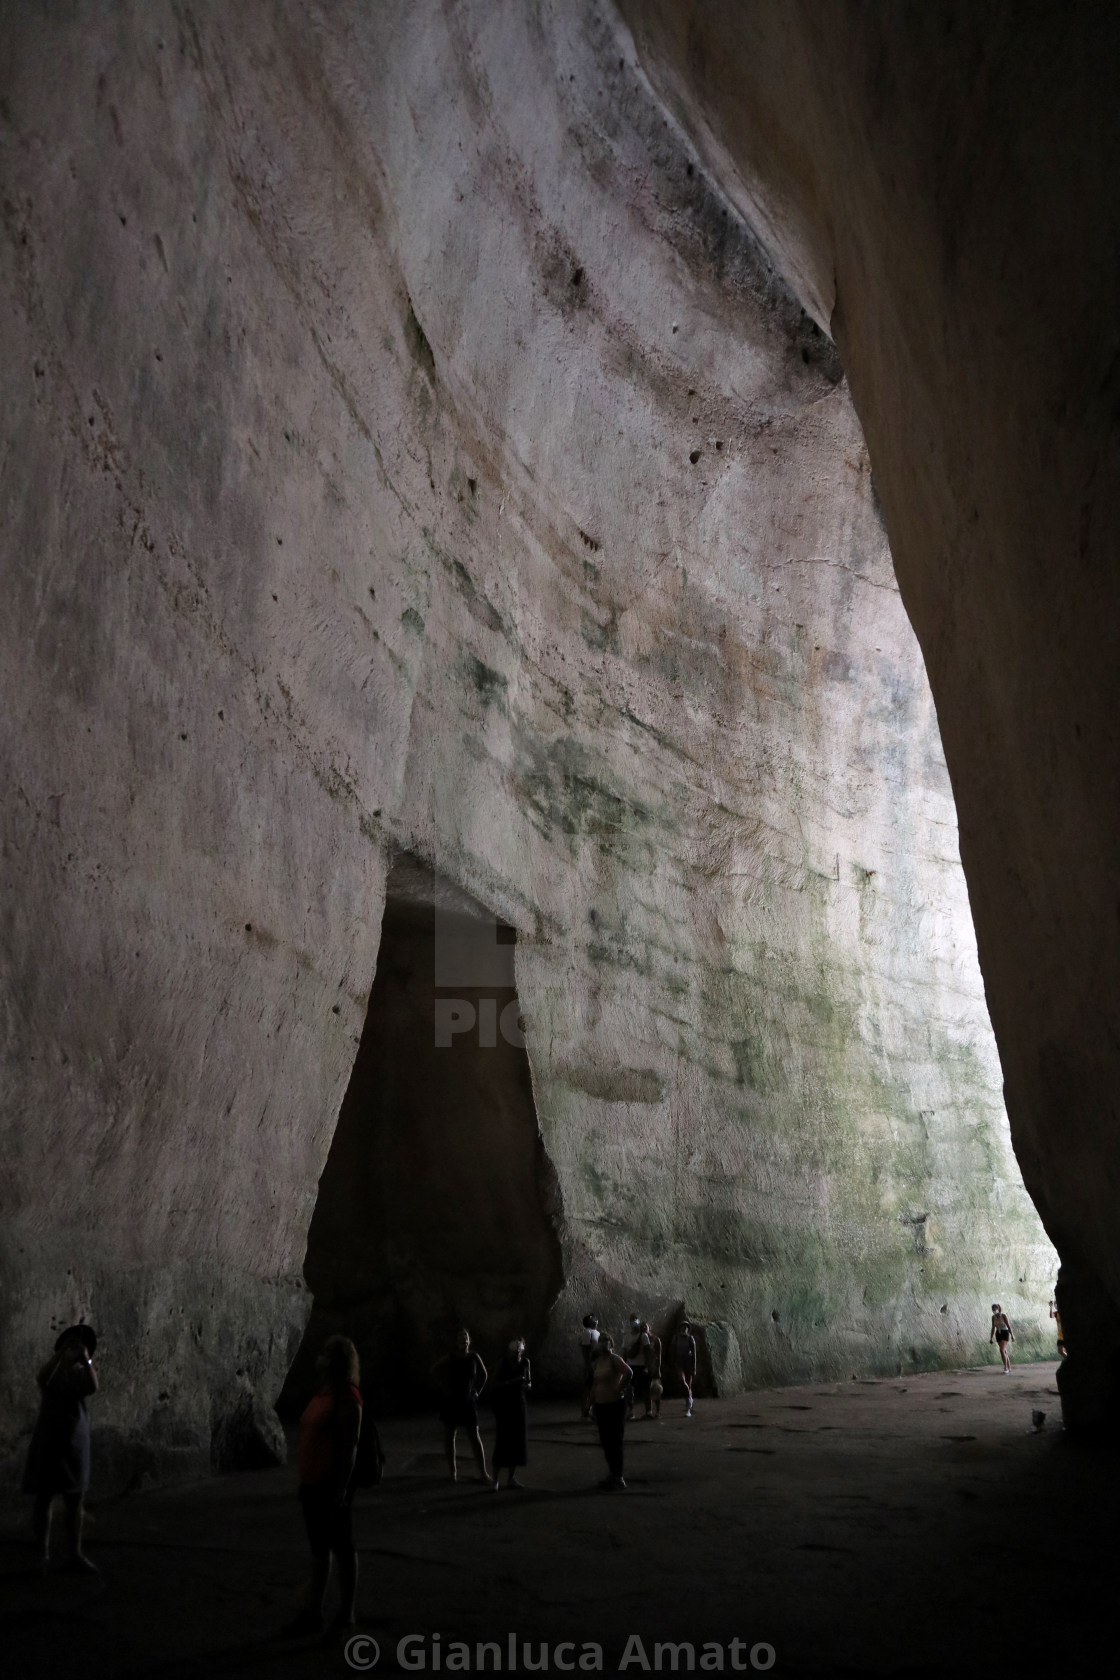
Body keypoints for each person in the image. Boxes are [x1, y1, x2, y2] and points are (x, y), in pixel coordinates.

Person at [286, 1334, 362, 1636]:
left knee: (342, 1548)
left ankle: (346, 1613)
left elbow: (350, 1446)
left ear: (339, 1361)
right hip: (313, 1483)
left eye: (329, 1353)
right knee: (319, 1550)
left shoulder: (347, 1396)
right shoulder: (324, 1393)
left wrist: (341, 1487)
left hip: (331, 1484)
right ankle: (314, 1612)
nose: (322, 1357)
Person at [23, 1323, 98, 1573]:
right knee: (44, 1498)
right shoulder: (54, 1375)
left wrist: (86, 1360)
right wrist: (60, 1355)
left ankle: (74, 1554)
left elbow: (93, 1387)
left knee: (75, 1501)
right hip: (49, 1440)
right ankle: (40, 1555)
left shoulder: (81, 1374)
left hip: (75, 1443)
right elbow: (42, 1378)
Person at [434, 1328, 493, 1483]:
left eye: (465, 1336)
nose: (463, 1339)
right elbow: (434, 1369)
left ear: (469, 1340)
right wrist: (444, 1388)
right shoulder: (451, 1357)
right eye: (460, 1336)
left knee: (475, 1437)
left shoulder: (474, 1356)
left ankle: (483, 1473)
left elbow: (484, 1375)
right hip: (452, 1401)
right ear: (456, 1341)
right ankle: (453, 1472)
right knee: (450, 1436)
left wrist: (477, 1392)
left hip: (468, 1401)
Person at [590, 1336, 632, 1490]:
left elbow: (628, 1372)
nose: (603, 1344)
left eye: (606, 1341)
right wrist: (590, 1404)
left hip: (614, 1405)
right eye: (601, 1341)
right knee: (606, 1440)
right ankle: (613, 1473)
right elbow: (595, 1384)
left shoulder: (615, 1359)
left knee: (615, 1440)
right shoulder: (598, 1362)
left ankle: (618, 1476)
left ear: (611, 1344)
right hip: (601, 1405)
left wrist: (619, 1388)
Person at [491, 1336, 531, 1489]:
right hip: (504, 1404)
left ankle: (511, 1478)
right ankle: (495, 1479)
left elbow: (529, 1382)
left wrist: (526, 1385)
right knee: (503, 1440)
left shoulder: (526, 1362)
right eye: (514, 1353)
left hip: (519, 1404)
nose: (516, 1355)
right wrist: (511, 1382)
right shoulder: (503, 1363)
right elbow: (494, 1384)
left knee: (517, 1441)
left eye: (519, 1352)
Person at [625, 1315, 650, 1419]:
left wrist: (646, 1367)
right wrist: (624, 1365)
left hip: (641, 1365)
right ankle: (630, 1412)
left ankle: (648, 1412)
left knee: (645, 1389)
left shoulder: (644, 1336)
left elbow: (647, 1352)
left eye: (635, 1322)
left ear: (638, 1322)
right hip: (630, 1366)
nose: (633, 1324)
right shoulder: (626, 1336)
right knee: (630, 1389)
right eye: (632, 1322)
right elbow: (624, 1352)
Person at [673, 1318, 698, 1417]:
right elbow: (673, 1351)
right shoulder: (676, 1338)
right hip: (679, 1362)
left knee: (689, 1384)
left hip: (688, 1363)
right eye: (682, 1327)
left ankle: (688, 1408)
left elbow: (694, 1354)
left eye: (686, 1327)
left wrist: (694, 1367)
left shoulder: (690, 1338)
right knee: (683, 1383)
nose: (684, 1329)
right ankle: (690, 1401)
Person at [578, 1314, 600, 1418]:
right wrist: (589, 1366)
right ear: (588, 1322)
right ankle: (584, 1412)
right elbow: (586, 1351)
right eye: (592, 1318)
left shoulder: (597, 1333)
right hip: (591, 1365)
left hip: (596, 1365)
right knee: (587, 1389)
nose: (595, 1319)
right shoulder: (587, 1332)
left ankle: (591, 1411)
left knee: (594, 1388)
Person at [644, 1321, 663, 1420]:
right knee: (647, 1390)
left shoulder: (656, 1340)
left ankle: (658, 1411)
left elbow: (659, 1356)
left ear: (649, 1328)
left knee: (657, 1389)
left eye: (645, 1326)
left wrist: (658, 1369)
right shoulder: (643, 1340)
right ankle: (649, 1412)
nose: (643, 1328)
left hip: (654, 1367)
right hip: (647, 1368)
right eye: (642, 1327)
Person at [990, 1303, 1015, 1372]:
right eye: (993, 1309)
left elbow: (1008, 1325)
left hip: (1005, 1332)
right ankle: (1009, 1367)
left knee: (1001, 1350)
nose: (994, 1311)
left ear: (998, 1309)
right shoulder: (993, 1317)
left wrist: (1012, 1335)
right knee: (1004, 1351)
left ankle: (1005, 1367)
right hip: (998, 1333)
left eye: (995, 1309)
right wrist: (991, 1338)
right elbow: (993, 1328)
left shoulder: (1003, 1316)